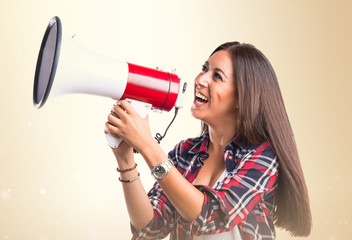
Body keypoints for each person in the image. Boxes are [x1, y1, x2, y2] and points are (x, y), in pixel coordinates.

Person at [105, 42, 312, 240]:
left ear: (242, 98)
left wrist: (148, 146)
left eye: (217, 76)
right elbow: (150, 228)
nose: (201, 80)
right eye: (204, 69)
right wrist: (125, 160)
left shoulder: (263, 157)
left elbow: (210, 215)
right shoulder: (185, 153)